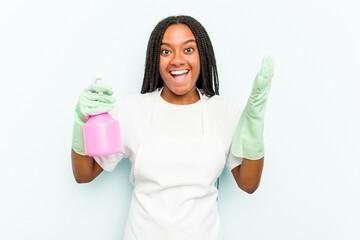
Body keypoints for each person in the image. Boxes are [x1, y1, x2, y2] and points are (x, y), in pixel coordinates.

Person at [71, 15, 274, 240]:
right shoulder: (132, 110)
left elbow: (248, 183)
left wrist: (254, 122)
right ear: (155, 60)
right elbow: (84, 174)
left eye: (188, 50)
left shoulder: (224, 111)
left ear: (202, 55)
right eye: (166, 51)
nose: (177, 60)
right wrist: (82, 122)